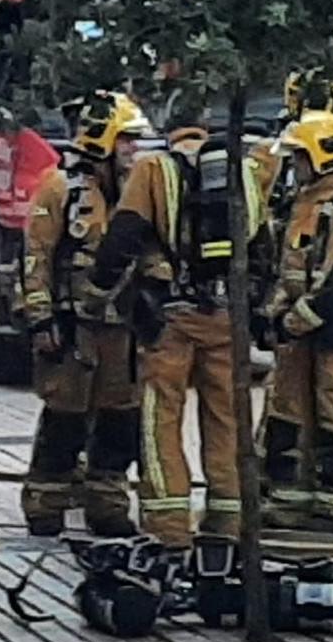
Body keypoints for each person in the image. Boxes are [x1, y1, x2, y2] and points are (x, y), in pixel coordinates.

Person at [85, 107, 266, 551]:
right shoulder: (242, 173)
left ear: (169, 134)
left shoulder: (154, 171)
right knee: (226, 417)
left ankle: (169, 525)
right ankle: (227, 521)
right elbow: (263, 244)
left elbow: (123, 235)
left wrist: (98, 288)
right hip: (226, 316)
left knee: (160, 418)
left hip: (169, 318)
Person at [20, 91, 148, 538]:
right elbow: (36, 256)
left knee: (120, 422)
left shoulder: (138, 192)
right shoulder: (59, 188)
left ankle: (108, 507)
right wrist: (40, 319)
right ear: (103, 140)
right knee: (64, 419)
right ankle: (45, 505)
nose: (134, 151)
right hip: (73, 331)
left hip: (124, 331)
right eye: (127, 141)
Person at [258, 109, 333, 533]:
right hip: (298, 337)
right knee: (289, 414)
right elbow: (288, 269)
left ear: (322, 156)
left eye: (299, 157)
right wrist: (273, 317)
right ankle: (290, 500)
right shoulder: (304, 205)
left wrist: (295, 320)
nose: (295, 167)